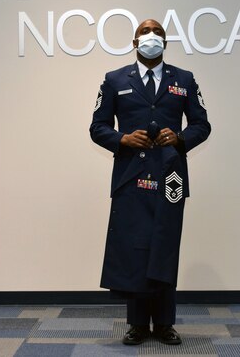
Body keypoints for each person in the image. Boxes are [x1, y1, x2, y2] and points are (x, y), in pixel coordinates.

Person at [89, 19, 211, 346]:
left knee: (165, 246)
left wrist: (181, 138)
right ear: (134, 41)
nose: (151, 36)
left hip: (170, 176)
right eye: (145, 31)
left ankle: (166, 325)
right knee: (135, 248)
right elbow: (97, 128)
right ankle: (138, 325)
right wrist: (123, 138)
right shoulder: (114, 80)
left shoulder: (184, 80)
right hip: (131, 176)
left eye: (157, 32)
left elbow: (202, 125)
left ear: (166, 42)